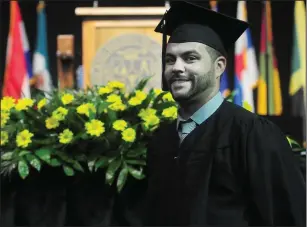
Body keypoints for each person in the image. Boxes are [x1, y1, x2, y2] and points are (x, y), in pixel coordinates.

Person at [143, 1, 306, 226]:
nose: (177, 67)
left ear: (219, 66)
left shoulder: (253, 134)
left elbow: (286, 217)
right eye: (170, 59)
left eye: (190, 58)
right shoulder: (162, 140)